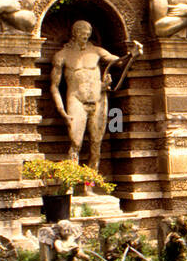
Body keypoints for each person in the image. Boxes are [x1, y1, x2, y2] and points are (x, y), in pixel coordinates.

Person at [50, 21, 141, 171]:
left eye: (88, 33)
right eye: (82, 33)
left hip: (98, 100)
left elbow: (119, 62)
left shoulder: (97, 52)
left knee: (96, 145)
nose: (85, 36)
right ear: (74, 33)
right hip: (76, 100)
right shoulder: (62, 55)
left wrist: (133, 55)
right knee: (75, 143)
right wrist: (62, 111)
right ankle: (70, 186)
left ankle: (89, 187)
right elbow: (54, 86)